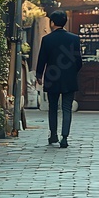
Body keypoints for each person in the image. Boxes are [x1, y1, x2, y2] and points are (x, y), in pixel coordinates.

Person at [36, 10, 83, 148]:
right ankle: (65, 137)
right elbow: (78, 60)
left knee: (53, 108)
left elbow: (42, 59)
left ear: (52, 22)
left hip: (52, 77)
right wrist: (73, 72)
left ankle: (53, 135)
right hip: (69, 78)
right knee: (67, 108)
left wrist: (39, 75)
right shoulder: (74, 38)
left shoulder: (47, 39)